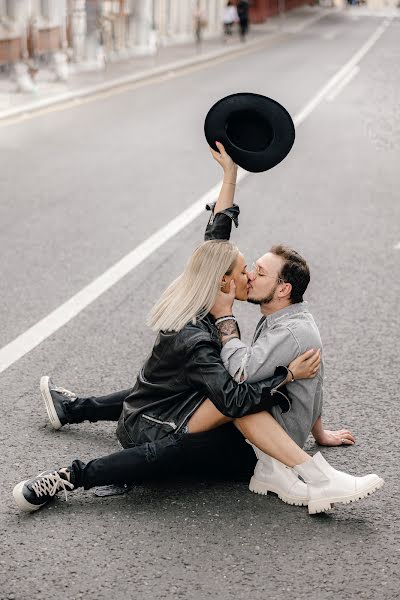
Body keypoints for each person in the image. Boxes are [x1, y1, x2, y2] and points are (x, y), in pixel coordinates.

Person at [13, 146, 383, 516]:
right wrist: (287, 375)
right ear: (223, 282)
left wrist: (229, 177)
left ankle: (73, 410)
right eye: (244, 270)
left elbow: (216, 237)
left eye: (254, 270)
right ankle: (67, 477)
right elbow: (235, 401)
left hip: (162, 403)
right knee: (213, 419)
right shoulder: (201, 338)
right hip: (156, 429)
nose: (249, 275)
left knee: (213, 388)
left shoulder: (202, 298)